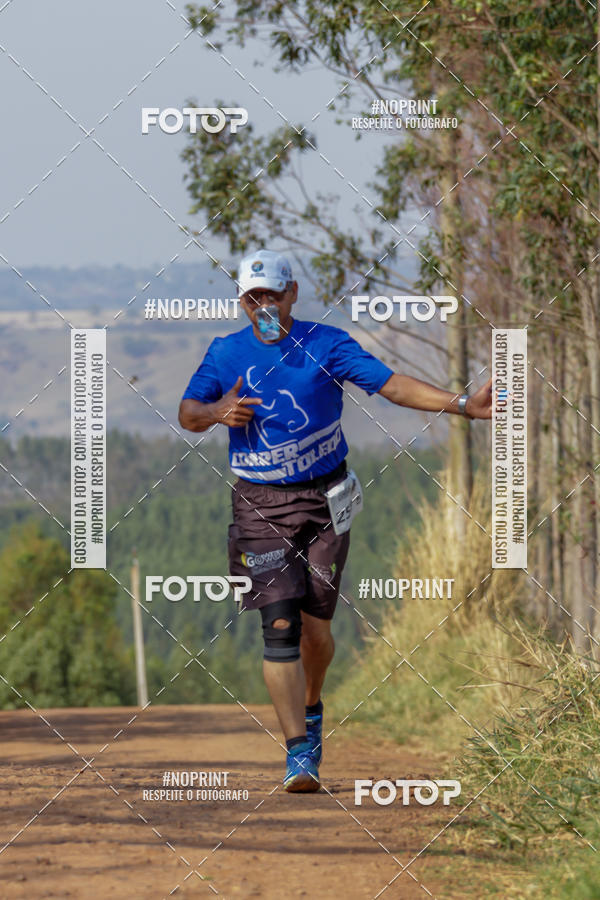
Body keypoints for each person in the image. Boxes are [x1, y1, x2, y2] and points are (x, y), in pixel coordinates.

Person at [179, 249, 492, 793]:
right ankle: (298, 751)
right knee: (280, 627)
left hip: (326, 500)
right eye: (252, 298)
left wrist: (463, 404)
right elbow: (188, 413)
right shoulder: (226, 353)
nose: (262, 306)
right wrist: (215, 411)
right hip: (259, 505)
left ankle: (312, 705)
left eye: (272, 295)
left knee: (316, 631)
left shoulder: (326, 344)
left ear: (292, 294)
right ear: (242, 302)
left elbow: (391, 385)